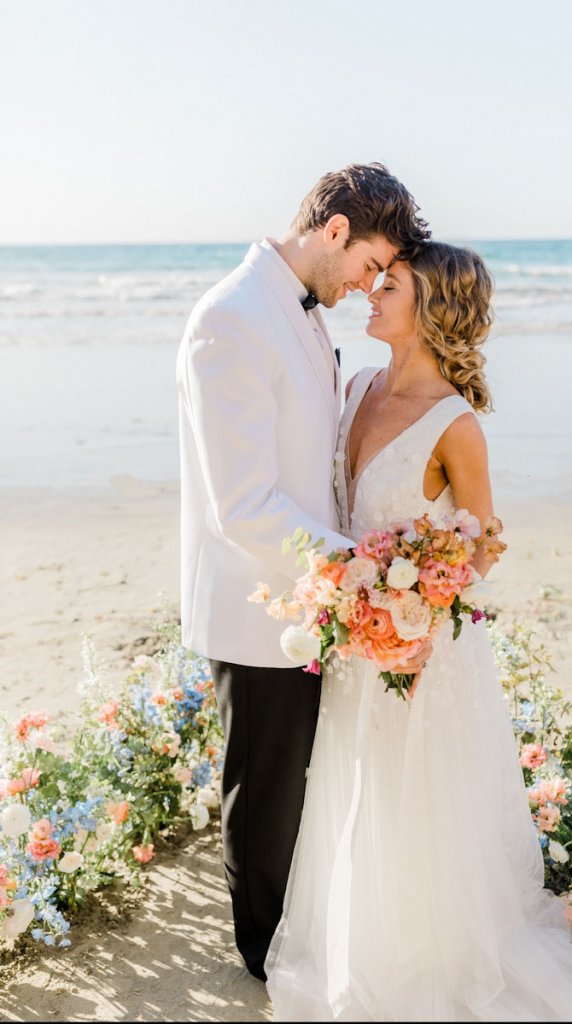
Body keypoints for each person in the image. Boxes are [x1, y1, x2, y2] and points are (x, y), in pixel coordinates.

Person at [265, 242, 572, 1020]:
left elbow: (481, 545)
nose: (372, 292)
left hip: (423, 653)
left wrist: (407, 593)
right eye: (374, 279)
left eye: (391, 285)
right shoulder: (354, 389)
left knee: (417, 806)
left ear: (432, 309)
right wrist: (357, 597)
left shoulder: (454, 423)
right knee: (355, 794)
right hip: (356, 647)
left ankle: (422, 967)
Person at [176, 163, 431, 981]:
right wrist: (357, 573)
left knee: (293, 789)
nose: (367, 286)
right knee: (263, 796)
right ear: (333, 232)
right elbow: (243, 505)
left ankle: (286, 937)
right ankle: (262, 958)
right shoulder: (232, 320)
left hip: (305, 601)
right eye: (368, 265)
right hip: (259, 609)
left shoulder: (299, 313)